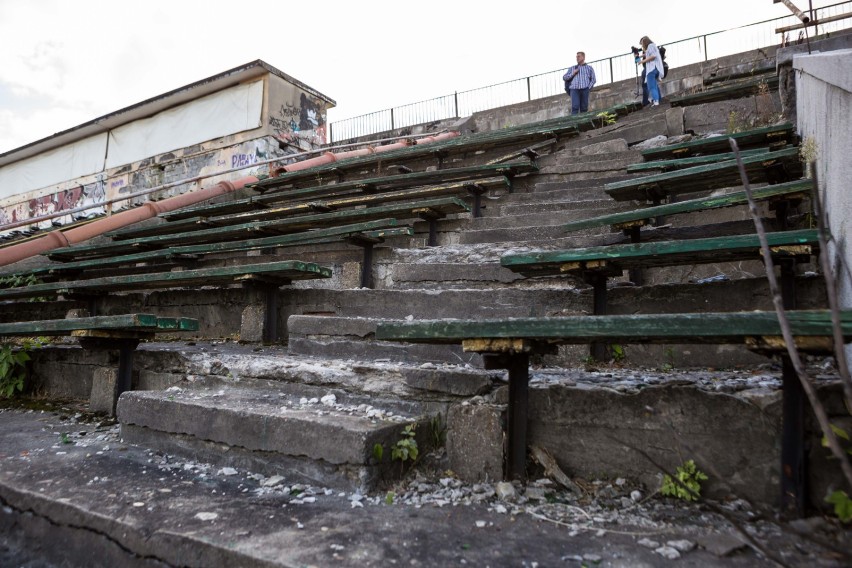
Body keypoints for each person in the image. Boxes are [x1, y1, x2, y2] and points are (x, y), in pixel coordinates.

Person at [637, 36, 664, 106]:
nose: (642, 45)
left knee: (651, 86)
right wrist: (639, 56)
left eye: (642, 44)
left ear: (645, 42)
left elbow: (653, 56)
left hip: (652, 69)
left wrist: (642, 61)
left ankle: (656, 101)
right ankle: (658, 100)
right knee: (654, 85)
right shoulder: (652, 46)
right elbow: (648, 54)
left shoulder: (650, 46)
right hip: (655, 69)